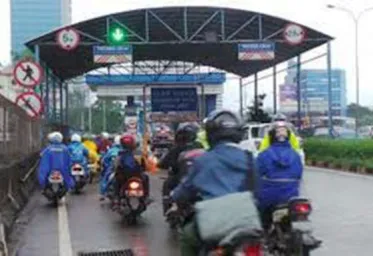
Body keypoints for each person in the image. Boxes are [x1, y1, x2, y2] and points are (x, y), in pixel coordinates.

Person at [169, 110, 256, 256]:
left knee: (187, 235)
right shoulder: (249, 158)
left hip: (212, 221)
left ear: (210, 133)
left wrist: (174, 197)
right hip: (246, 222)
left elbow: (185, 189)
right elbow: (258, 190)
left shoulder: (204, 160)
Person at [255, 121, 303, 229]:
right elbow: (298, 174)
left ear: (271, 137)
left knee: (262, 222)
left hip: (268, 198)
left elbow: (256, 173)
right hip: (291, 197)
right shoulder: (295, 155)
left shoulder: (264, 155)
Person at [158, 122, 204, 213]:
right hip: (198, 179)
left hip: (180, 179)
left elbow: (163, 164)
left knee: (167, 185)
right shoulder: (199, 146)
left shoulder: (176, 148)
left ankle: (168, 208)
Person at [112, 134, 151, 208]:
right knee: (146, 178)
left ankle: (116, 198)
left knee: (116, 181)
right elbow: (145, 165)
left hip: (124, 177)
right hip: (138, 176)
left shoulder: (120, 154)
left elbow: (115, 166)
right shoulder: (138, 153)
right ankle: (146, 197)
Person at [99, 135, 122, 200]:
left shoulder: (111, 150)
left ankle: (102, 194)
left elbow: (104, 160)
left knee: (105, 179)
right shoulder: (125, 151)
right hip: (122, 170)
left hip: (112, 169)